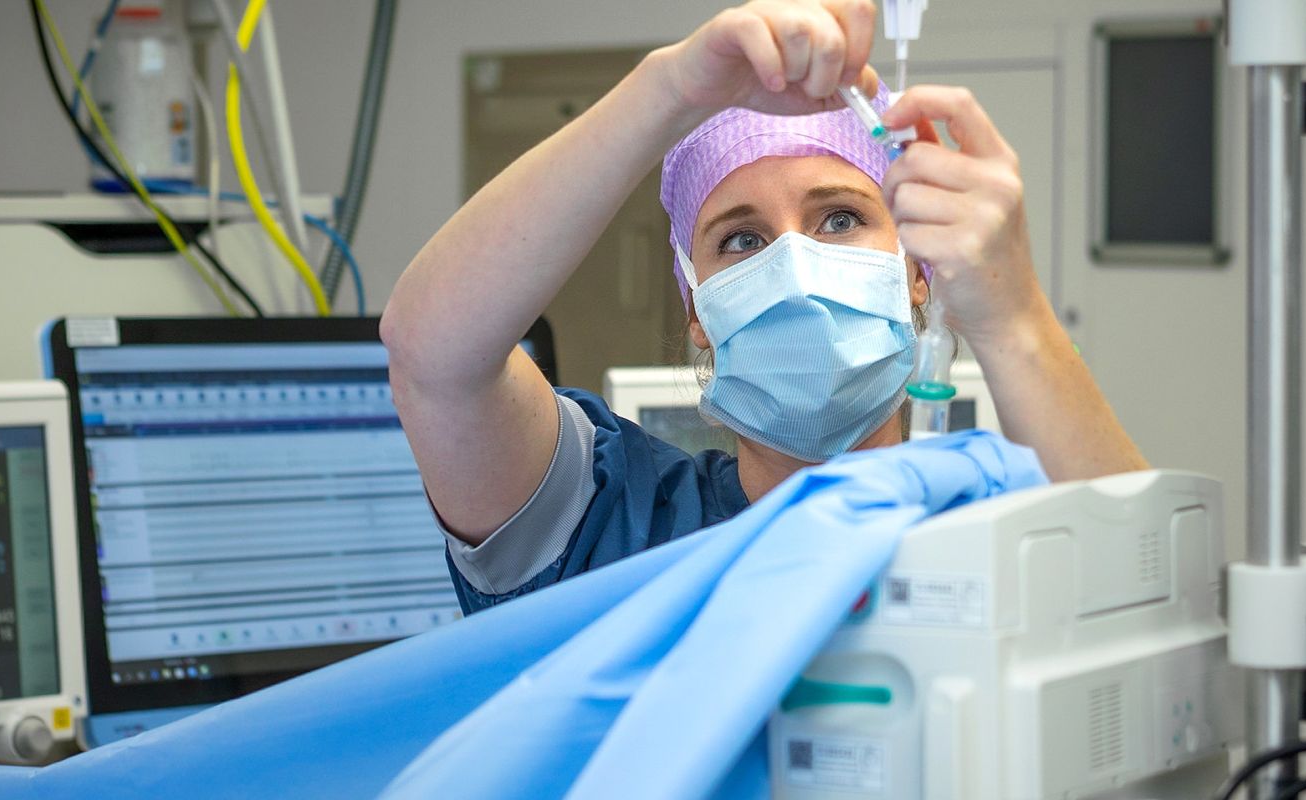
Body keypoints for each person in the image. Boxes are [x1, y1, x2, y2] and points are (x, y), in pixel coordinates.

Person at [381, 0, 1146, 613]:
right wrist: (670, 90)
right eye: (742, 241)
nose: (795, 268)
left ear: (917, 269)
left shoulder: (1002, 517)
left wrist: (1014, 318)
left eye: (840, 218)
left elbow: (1150, 599)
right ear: (698, 312)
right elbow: (434, 357)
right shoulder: (613, 527)